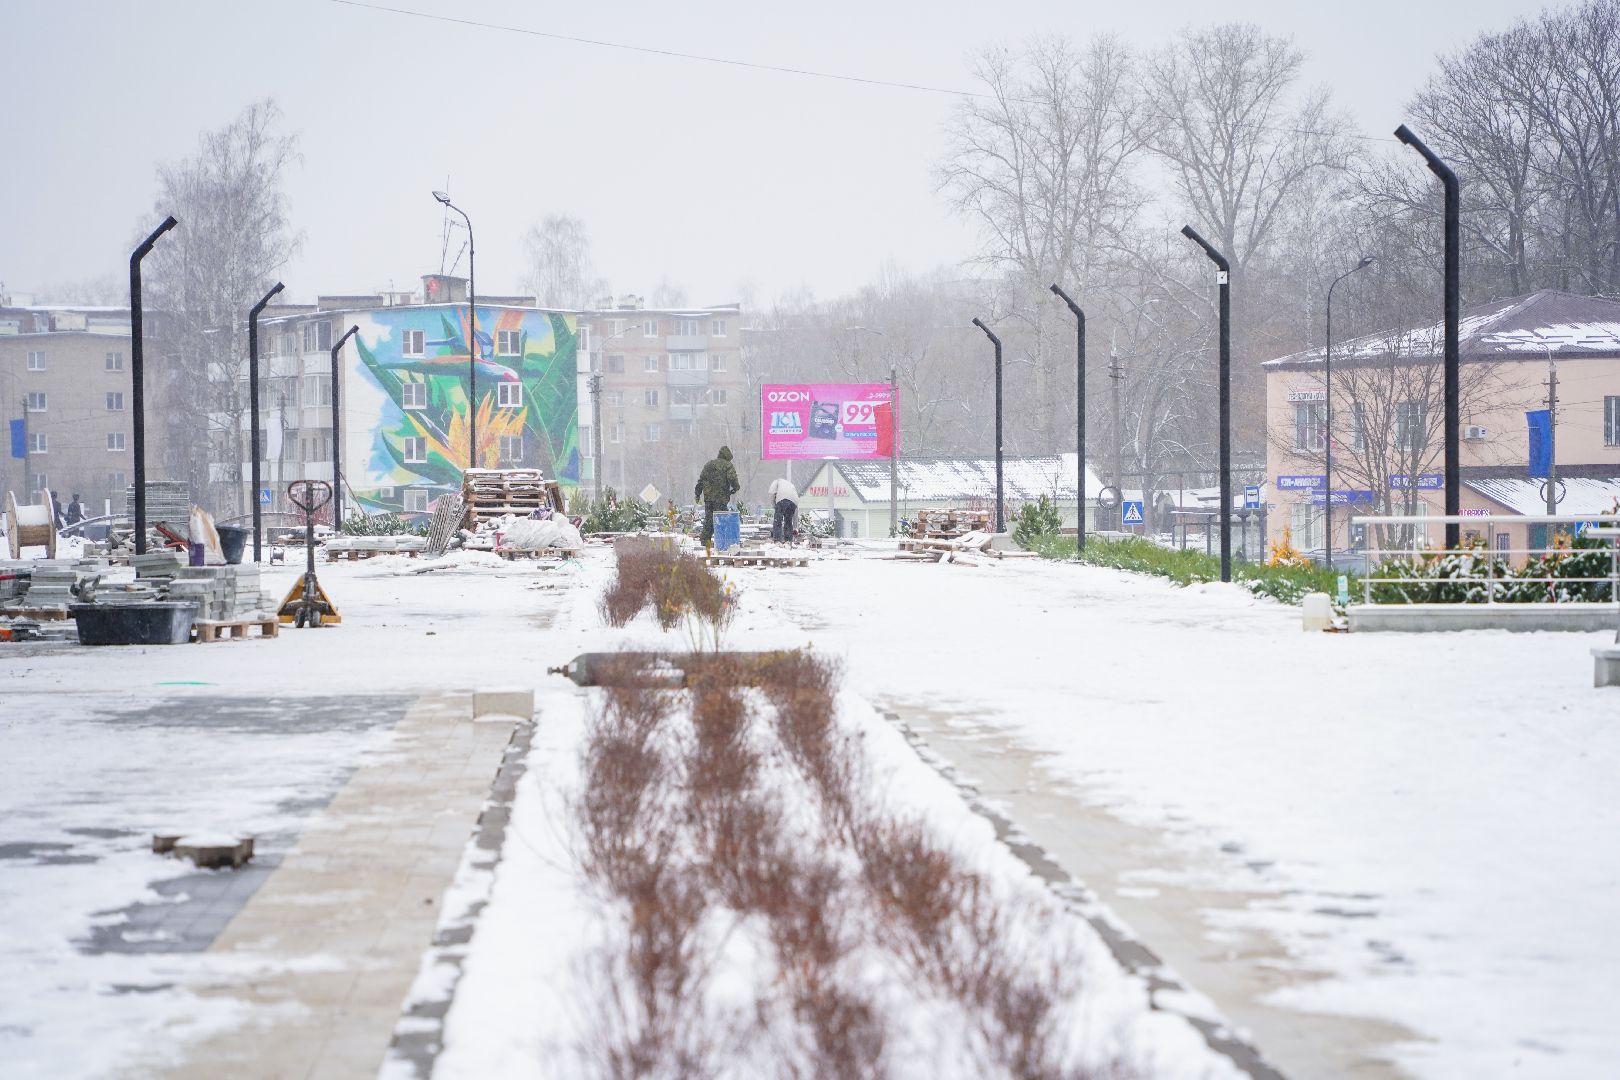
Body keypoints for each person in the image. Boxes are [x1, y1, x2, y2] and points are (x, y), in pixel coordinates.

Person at [694, 445, 740, 548]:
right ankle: (723, 541)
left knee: (709, 519)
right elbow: (732, 478)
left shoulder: (708, 465)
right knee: (722, 519)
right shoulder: (728, 465)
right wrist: (736, 487)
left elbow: (700, 481)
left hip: (708, 498)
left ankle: (705, 540)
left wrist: (697, 494)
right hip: (721, 498)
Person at [767, 476, 799, 543]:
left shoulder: (776, 481)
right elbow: (796, 511)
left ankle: (777, 540)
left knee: (778, 520)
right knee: (788, 521)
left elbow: (771, 493)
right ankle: (788, 540)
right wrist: (795, 527)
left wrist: (775, 505)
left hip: (782, 499)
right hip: (794, 502)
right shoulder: (791, 486)